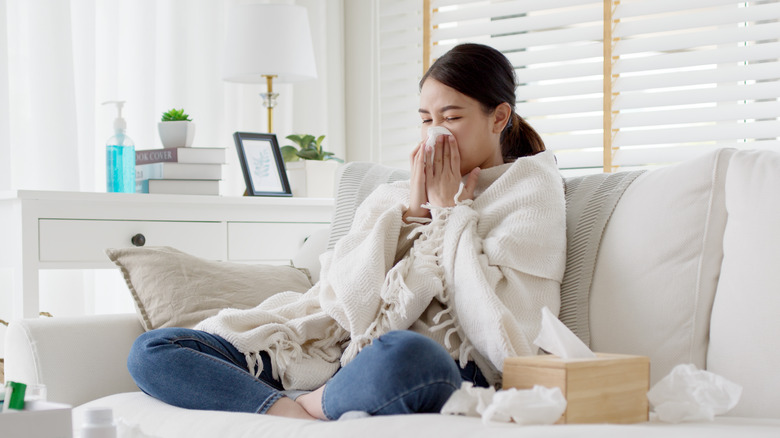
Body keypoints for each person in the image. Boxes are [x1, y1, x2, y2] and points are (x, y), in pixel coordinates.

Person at [127, 43, 567, 421]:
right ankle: (287, 410)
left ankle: (320, 402)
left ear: (498, 117)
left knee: (411, 356)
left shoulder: (529, 189)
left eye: (450, 118)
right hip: (335, 358)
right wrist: (414, 213)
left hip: (438, 364)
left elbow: (503, 335)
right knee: (152, 350)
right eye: (425, 119)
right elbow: (344, 303)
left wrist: (450, 213)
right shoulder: (393, 195)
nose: (435, 135)